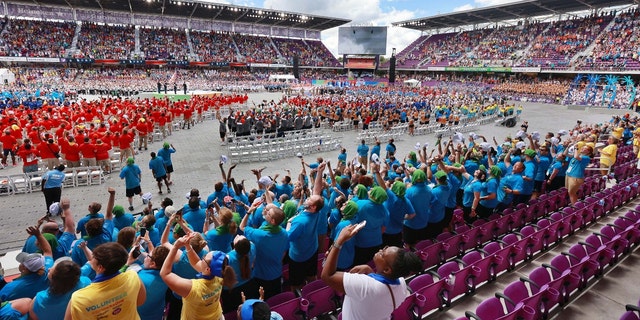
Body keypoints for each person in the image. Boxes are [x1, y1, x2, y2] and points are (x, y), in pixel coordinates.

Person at [321, 224, 422, 320]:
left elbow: (327, 276)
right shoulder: (401, 284)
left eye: (383, 254)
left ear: (387, 270)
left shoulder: (365, 285)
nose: (381, 250)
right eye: (385, 248)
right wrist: (370, 271)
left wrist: (339, 241)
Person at [160, 233, 236, 320]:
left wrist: (175, 247)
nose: (202, 258)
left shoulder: (193, 288)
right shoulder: (220, 275)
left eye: (204, 257)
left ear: (208, 269)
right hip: (215, 316)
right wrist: (188, 246)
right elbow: (196, 263)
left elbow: (165, 274)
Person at [65, 242, 147, 319]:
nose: (91, 258)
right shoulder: (133, 277)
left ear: (100, 268)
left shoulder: (79, 299)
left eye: (93, 257)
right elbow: (140, 301)